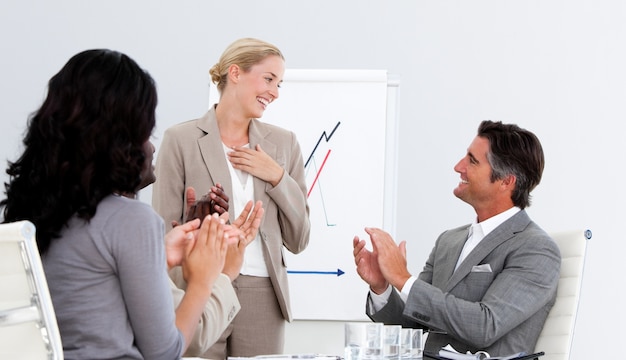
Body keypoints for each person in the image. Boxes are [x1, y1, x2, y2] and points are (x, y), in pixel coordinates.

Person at [1, 48, 230, 359]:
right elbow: (164, 353)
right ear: (121, 141)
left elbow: (90, 292)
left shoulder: (30, 211)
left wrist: (158, 257)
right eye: (147, 131)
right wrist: (205, 279)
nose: (152, 145)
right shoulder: (130, 220)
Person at [152, 37, 311, 358]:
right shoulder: (180, 140)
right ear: (235, 73)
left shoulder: (283, 145)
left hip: (263, 293)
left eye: (279, 84)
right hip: (197, 288)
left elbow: (299, 239)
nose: (275, 93)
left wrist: (277, 177)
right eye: (268, 79)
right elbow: (161, 232)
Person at [352, 120, 561, 356]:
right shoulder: (449, 241)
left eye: (472, 160)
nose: (458, 167)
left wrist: (404, 279)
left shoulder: (536, 249)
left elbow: (485, 326)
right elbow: (415, 325)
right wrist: (383, 287)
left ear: (506, 181)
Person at [132, 143, 265, 357]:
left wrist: (192, 252)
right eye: (144, 135)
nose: (153, 147)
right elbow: (189, 338)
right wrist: (223, 272)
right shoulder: (133, 225)